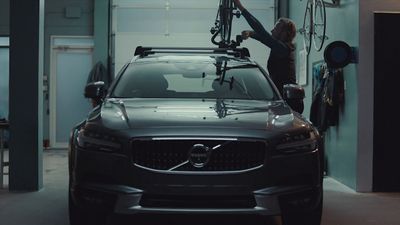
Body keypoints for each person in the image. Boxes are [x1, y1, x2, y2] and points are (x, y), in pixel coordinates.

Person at [233, 0, 297, 96]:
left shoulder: (283, 50)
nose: (272, 30)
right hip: (277, 96)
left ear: (284, 34)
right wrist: (250, 33)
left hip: (286, 100)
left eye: (276, 29)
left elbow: (263, 34)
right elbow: (263, 38)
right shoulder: (280, 48)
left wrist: (241, 8)